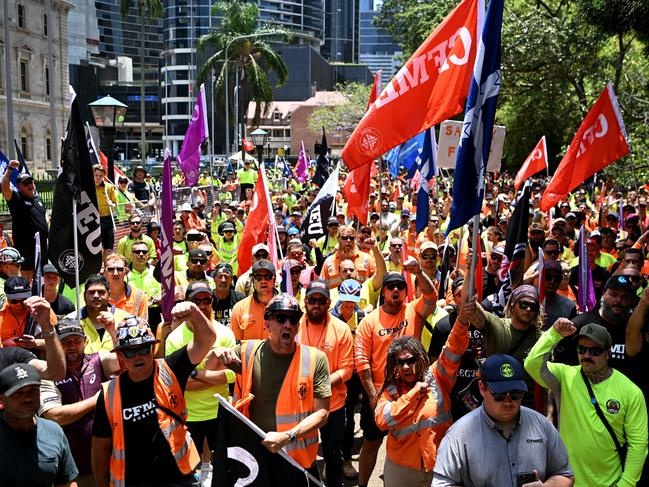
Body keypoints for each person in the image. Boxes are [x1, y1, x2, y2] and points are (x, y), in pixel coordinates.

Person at [91, 304, 216, 487]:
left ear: (151, 349)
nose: (137, 357)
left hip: (178, 478)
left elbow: (206, 340)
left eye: (143, 349)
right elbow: (100, 448)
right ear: (120, 355)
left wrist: (195, 313)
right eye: (130, 351)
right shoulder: (109, 393)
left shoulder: (170, 368)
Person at [215, 293, 331, 481]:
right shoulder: (248, 352)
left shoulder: (316, 359)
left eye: (293, 319)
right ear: (267, 323)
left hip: (297, 461)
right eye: (280, 318)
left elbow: (323, 413)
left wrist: (288, 436)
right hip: (255, 457)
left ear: (298, 326)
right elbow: (210, 359)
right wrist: (218, 351)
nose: (287, 324)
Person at [525, 320, 648, 486]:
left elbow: (638, 445)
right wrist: (553, 334)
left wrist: (626, 484)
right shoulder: (565, 376)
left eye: (595, 351)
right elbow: (531, 364)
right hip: (567, 481)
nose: (586, 356)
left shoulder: (631, 392)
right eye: (581, 349)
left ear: (607, 353)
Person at [432, 355, 574, 487]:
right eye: (499, 395)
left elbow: (564, 473)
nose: (508, 402)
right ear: (482, 388)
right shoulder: (459, 434)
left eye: (515, 394)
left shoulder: (542, 425)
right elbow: (442, 483)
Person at [354, 264, 437, 487]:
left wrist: (418, 273)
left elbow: (431, 295)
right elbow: (362, 363)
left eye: (400, 286)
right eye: (391, 287)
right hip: (381, 395)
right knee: (371, 443)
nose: (396, 291)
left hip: (414, 390)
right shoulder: (369, 322)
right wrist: (372, 396)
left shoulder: (414, 310)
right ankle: (363, 484)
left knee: (412, 439)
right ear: (383, 291)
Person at [374, 310, 469, 486]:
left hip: (438, 464)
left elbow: (452, 348)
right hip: (402, 469)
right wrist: (413, 394)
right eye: (400, 362)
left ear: (420, 358)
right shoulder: (390, 390)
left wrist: (462, 321)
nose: (406, 366)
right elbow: (382, 420)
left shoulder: (437, 377)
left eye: (410, 360)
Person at [165, 281, 236, 485]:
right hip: (189, 414)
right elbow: (180, 383)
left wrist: (196, 373)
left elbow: (232, 375)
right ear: (188, 304)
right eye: (197, 301)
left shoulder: (226, 333)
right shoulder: (174, 339)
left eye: (207, 300)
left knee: (224, 472)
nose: (203, 305)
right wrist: (214, 373)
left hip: (219, 410)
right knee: (188, 475)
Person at [39, 319, 120, 487]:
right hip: (72, 468)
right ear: (56, 344)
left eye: (77, 341)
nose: (72, 346)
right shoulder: (48, 373)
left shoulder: (98, 360)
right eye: (66, 342)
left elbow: (123, 361)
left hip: (109, 458)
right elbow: (54, 416)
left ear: (86, 341)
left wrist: (113, 332)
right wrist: (99, 398)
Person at [296, 279, 354, 487]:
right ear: (305, 301)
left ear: (329, 303)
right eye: (313, 300)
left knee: (332, 455)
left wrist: (319, 384)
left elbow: (347, 369)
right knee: (303, 456)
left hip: (333, 406)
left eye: (322, 300)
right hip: (300, 405)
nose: (317, 304)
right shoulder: (294, 326)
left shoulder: (341, 329)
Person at [0, 363, 80, 486]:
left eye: (33, 390)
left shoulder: (54, 432)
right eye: (17, 393)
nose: (27, 398)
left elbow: (67, 482)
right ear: (2, 400)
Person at [2, 162, 49, 281]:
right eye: (26, 183)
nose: (30, 185)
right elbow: (5, 187)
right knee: (26, 280)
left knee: (41, 280)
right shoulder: (16, 198)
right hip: (25, 247)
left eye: (31, 182)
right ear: (19, 187)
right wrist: (10, 169)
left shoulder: (38, 199)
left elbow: (44, 215)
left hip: (41, 247)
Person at [66, 275, 128, 353]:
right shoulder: (70, 321)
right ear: (84, 295)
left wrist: (113, 333)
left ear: (109, 295)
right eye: (91, 292)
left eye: (101, 292)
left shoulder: (125, 319)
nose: (96, 296)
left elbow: (129, 353)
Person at [231, 259, 277, 341]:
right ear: (253, 280)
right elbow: (236, 345)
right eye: (258, 277)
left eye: (268, 277)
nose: (263, 281)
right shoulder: (239, 308)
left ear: (274, 279)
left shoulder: (286, 307)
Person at [103, 253, 149, 319]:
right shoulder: (97, 295)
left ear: (126, 271)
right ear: (104, 272)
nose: (115, 273)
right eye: (111, 269)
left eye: (120, 269)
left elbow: (144, 326)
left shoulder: (140, 296)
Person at [93, 164, 118, 259]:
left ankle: (106, 266)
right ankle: (97, 266)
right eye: (96, 175)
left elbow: (115, 204)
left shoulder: (109, 187)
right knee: (95, 245)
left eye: (101, 175)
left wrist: (112, 204)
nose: (98, 178)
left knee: (107, 246)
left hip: (106, 219)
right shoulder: (88, 187)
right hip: (93, 218)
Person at [211, 263, 244, 328]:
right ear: (214, 279)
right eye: (220, 276)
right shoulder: (207, 299)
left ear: (231, 280)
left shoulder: (240, 299)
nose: (223, 280)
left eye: (226, 277)